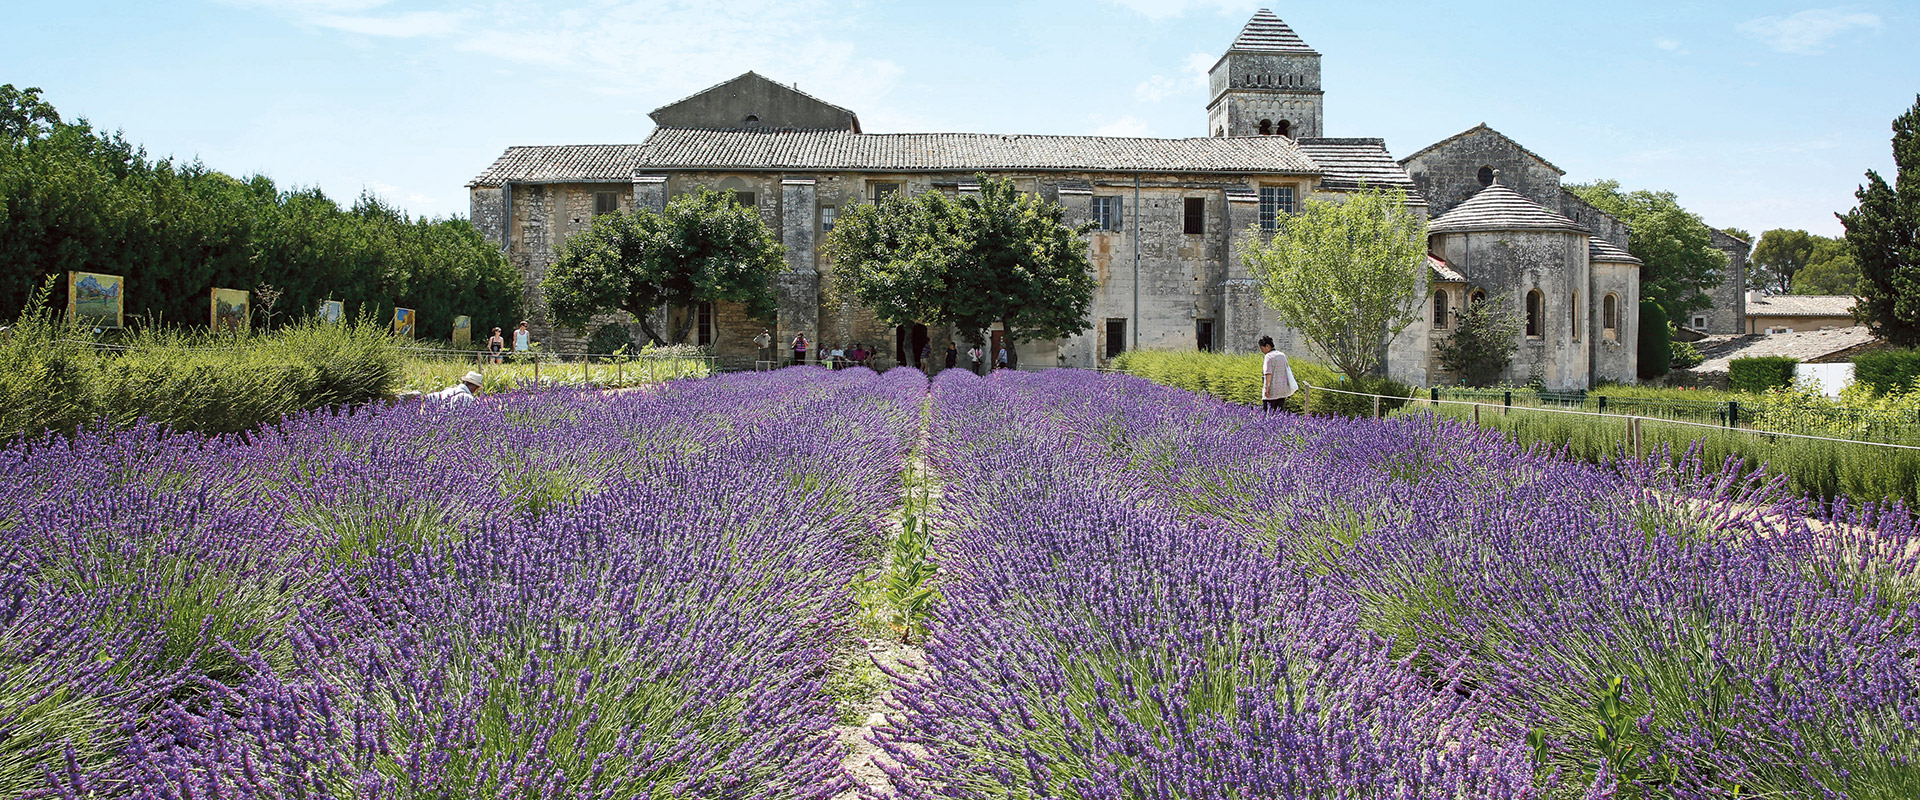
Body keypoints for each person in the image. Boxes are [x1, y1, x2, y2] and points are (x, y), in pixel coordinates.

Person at [1259, 335, 1297, 412]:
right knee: (1279, 413)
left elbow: (1268, 373)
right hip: (1282, 391)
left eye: (1262, 348)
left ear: (1267, 346)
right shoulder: (1282, 355)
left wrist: (1266, 388)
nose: (1262, 351)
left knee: (1268, 415)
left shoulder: (1268, 356)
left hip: (1272, 392)